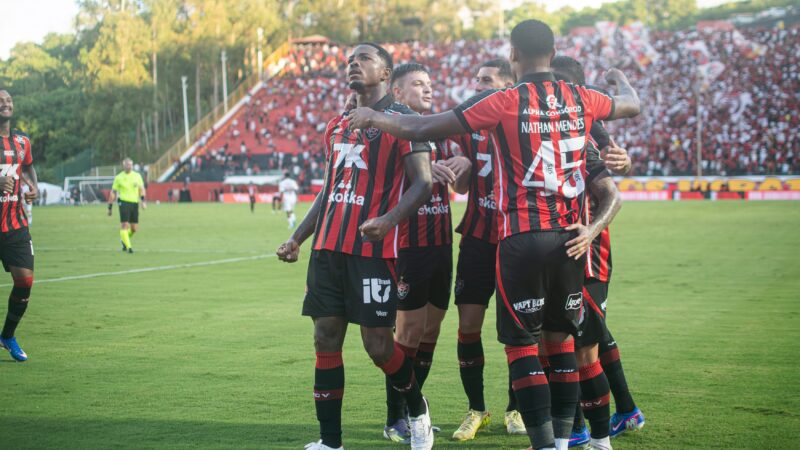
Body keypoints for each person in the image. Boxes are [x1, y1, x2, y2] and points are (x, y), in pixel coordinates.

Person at [346, 20, 640, 450]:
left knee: (522, 348)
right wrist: (619, 80)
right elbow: (631, 104)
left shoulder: (505, 101)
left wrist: (374, 115)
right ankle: (569, 442)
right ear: (552, 51)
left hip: (522, 237)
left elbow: (423, 128)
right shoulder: (581, 97)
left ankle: (545, 443)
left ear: (514, 55)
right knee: (560, 344)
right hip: (570, 238)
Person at [276, 43, 436, 450]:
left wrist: (388, 220)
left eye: (364, 58)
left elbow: (423, 183)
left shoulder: (405, 121)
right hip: (328, 248)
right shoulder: (337, 125)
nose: (353, 63)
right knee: (325, 337)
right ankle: (331, 442)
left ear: (385, 73)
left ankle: (416, 409)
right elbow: (329, 189)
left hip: (373, 253)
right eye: (350, 59)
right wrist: (297, 238)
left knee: (378, 346)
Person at [549, 56, 644, 449]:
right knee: (588, 335)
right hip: (556, 248)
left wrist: (625, 160)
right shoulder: (536, 118)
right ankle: (623, 410)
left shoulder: (585, 123)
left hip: (586, 250)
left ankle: (580, 428)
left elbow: (613, 169)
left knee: (578, 340)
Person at [380, 63, 472, 444]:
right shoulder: (393, 131)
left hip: (441, 245)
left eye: (429, 83)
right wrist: (423, 170)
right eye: (418, 84)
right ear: (397, 93)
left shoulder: (440, 132)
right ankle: (395, 418)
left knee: (430, 331)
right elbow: (384, 181)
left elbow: (461, 187)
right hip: (409, 247)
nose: (428, 89)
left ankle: (412, 412)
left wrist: (464, 164)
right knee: (407, 332)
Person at [446, 58, 528, 441]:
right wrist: (460, 165)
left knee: (518, 330)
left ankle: (516, 408)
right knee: (468, 327)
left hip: (516, 240)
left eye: (487, 80)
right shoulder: (469, 126)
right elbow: (460, 186)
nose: (478, 86)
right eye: (476, 79)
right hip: (477, 241)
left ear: (508, 86)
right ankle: (476, 409)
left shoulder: (524, 124)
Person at [0, 90, 39, 362]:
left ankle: (7, 335)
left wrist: (33, 186)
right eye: (0, 101)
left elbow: (26, 168)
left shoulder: (22, 141)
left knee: (25, 281)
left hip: (15, 225)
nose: (6, 104)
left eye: (9, 100)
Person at [107, 158, 146, 253]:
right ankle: (129, 247)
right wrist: (110, 207)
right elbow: (113, 192)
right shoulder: (119, 177)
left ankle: (124, 239)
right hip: (123, 202)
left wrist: (143, 201)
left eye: (130, 165)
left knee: (134, 228)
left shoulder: (137, 176)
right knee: (124, 225)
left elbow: (141, 189)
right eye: (127, 165)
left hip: (134, 203)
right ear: (123, 166)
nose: (129, 166)